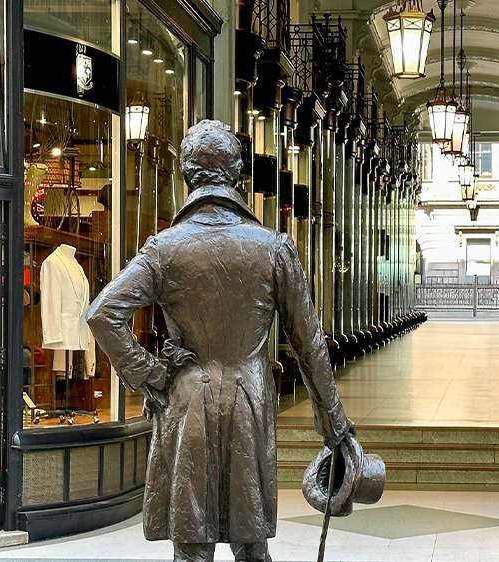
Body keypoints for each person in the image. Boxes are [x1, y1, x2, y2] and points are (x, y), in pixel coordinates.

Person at [86, 120, 353, 562]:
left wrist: (152, 374)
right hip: (249, 393)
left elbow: (103, 314)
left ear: (186, 175)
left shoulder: (163, 248)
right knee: (251, 544)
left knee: (191, 546)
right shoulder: (272, 246)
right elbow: (310, 344)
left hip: (188, 395)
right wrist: (334, 423)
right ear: (237, 175)